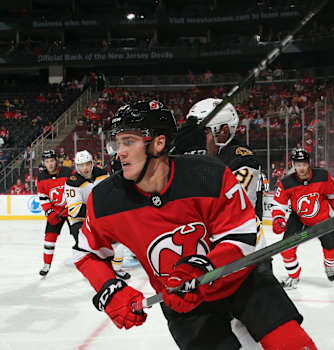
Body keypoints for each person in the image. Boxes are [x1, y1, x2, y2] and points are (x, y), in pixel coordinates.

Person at [73, 101, 317, 350]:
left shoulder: (208, 175)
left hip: (242, 279)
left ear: (158, 143)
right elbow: (86, 253)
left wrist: (202, 268)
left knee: (293, 344)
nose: (119, 152)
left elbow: (241, 237)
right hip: (183, 302)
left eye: (129, 142)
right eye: (118, 142)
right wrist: (111, 291)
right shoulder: (105, 199)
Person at [175, 97, 268, 250]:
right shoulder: (197, 157)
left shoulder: (243, 161)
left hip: (243, 253)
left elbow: (232, 213)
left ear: (223, 132)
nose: (195, 139)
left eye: (203, 132)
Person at [271, 148, 334, 289]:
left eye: (304, 164)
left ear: (308, 163)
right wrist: (278, 218)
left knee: (333, 250)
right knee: (286, 249)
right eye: (298, 165)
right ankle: (293, 276)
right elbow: (278, 204)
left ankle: (329, 266)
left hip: (322, 219)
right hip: (298, 218)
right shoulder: (287, 182)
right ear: (294, 165)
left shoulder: (322, 176)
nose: (301, 168)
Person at [65, 150, 130, 280]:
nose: (85, 168)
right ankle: (100, 272)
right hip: (80, 221)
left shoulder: (102, 174)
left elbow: (110, 195)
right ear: (77, 166)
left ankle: (116, 268)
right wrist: (99, 209)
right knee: (91, 249)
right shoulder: (72, 182)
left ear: (92, 163)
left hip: (100, 217)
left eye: (87, 164)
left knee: (120, 242)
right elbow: (75, 210)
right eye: (81, 165)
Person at [37, 150, 73, 277]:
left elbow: (77, 187)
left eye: (52, 161)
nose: (50, 164)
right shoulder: (41, 177)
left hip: (71, 211)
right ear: (44, 163)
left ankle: (91, 262)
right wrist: (49, 212)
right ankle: (46, 265)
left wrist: (75, 205)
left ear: (56, 161)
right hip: (55, 214)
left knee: (81, 238)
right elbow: (43, 197)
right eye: (47, 162)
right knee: (49, 240)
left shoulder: (68, 172)